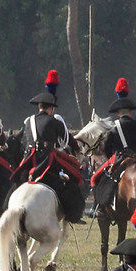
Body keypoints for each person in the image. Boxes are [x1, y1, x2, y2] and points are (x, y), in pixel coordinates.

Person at [16, 70, 84, 203]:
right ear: (51, 108)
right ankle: (72, 210)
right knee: (74, 176)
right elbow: (65, 142)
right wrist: (76, 150)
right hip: (48, 159)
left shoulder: (28, 121)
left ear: (39, 107)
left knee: (16, 180)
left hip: (30, 158)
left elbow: (24, 141)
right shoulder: (54, 120)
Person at [91, 78, 136, 196]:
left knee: (94, 179)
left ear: (117, 112)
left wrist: (114, 158)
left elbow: (107, 149)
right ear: (130, 112)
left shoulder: (113, 129)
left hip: (119, 161)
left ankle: (100, 205)